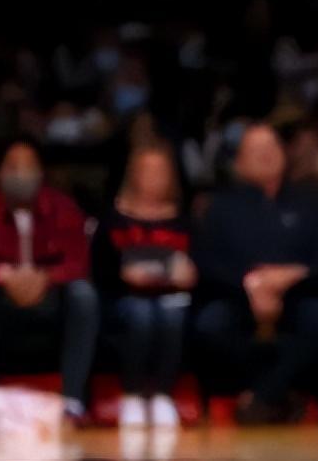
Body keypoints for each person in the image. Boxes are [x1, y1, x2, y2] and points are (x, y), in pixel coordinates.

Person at [191, 123, 318, 424]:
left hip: (298, 296)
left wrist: (290, 276)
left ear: (284, 154)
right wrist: (251, 285)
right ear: (239, 162)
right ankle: (281, 396)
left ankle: (262, 397)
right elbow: (206, 264)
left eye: (271, 147)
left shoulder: (307, 203)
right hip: (237, 297)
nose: (265, 155)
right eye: (256, 150)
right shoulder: (220, 207)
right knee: (210, 324)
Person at [0, 138, 99, 423]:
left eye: (29, 167)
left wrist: (45, 277)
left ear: (41, 173)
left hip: (50, 302)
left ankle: (72, 401)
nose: (22, 174)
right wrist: (5, 276)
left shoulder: (64, 208)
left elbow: (78, 262)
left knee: (83, 294)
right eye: (14, 167)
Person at [92, 141, 196, 428]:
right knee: (141, 314)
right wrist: (123, 275)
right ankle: (133, 393)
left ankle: (163, 394)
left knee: (172, 315)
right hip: (123, 298)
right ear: (133, 174)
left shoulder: (184, 220)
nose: (153, 178)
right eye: (147, 171)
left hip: (173, 296)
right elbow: (99, 269)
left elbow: (199, 264)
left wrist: (190, 274)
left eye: (160, 171)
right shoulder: (113, 219)